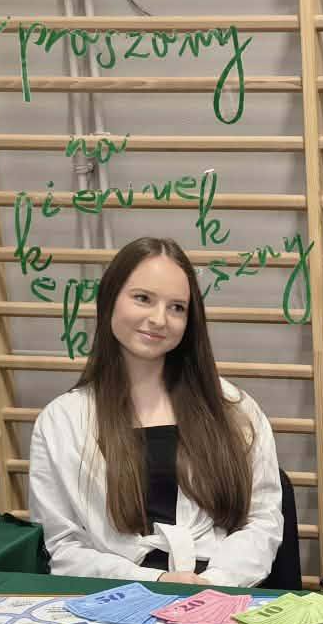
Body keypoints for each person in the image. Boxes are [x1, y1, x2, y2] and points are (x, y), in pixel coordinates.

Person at [29, 236, 283, 586]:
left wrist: (215, 582)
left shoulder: (233, 408)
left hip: (220, 590)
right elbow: (63, 546)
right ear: (110, 299)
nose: (159, 319)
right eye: (143, 299)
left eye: (177, 307)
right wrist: (155, 582)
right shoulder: (61, 421)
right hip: (116, 594)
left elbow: (262, 520)